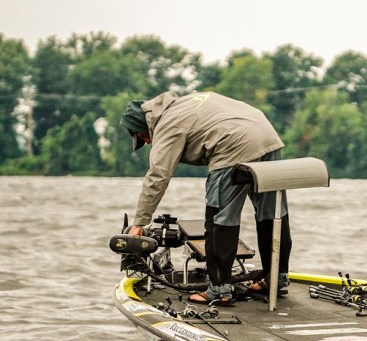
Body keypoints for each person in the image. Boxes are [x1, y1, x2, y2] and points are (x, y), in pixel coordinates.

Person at [121, 91, 291, 306]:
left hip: (233, 143)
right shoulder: (187, 103)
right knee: (272, 212)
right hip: (267, 135)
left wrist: (139, 223)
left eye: (142, 138)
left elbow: (158, 175)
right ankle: (276, 278)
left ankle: (219, 290)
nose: (147, 143)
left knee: (220, 217)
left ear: (143, 126)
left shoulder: (167, 124)